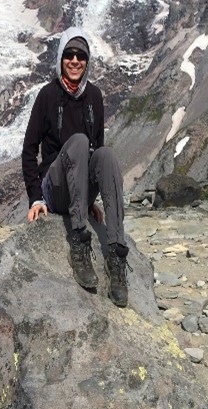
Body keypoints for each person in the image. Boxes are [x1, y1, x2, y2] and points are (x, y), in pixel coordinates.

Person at [22, 26, 129, 307]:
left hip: (78, 189)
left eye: (80, 55)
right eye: (69, 54)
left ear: (87, 60)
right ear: (60, 58)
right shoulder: (47, 95)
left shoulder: (94, 97)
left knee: (106, 155)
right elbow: (29, 150)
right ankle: (79, 241)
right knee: (79, 141)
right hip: (55, 187)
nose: (74, 60)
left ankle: (117, 254)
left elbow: (97, 152)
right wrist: (35, 197)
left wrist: (90, 195)